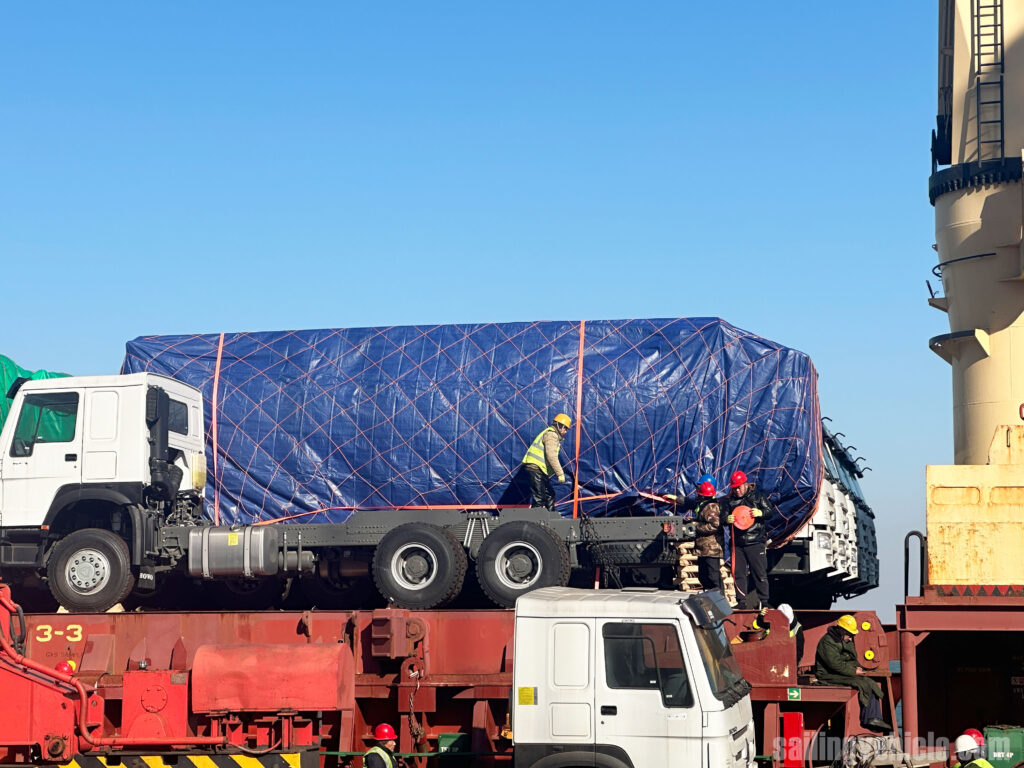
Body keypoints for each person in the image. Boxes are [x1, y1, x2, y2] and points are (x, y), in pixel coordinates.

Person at [813, 615, 891, 733]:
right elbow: (834, 664)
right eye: (850, 635)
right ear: (842, 631)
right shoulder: (827, 642)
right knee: (861, 683)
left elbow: (849, 660)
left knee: (870, 683)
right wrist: (854, 671)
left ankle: (874, 718)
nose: (851, 638)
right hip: (828, 675)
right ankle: (868, 719)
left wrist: (858, 668)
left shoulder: (844, 640)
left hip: (840, 672)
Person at [722, 470, 773, 607]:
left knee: (759, 573)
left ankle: (764, 601)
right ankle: (741, 601)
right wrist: (727, 519)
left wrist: (760, 512)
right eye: (734, 488)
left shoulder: (758, 497)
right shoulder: (729, 501)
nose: (737, 490)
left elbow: (770, 511)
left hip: (755, 541)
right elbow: (722, 517)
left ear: (745, 484)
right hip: (737, 543)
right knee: (739, 573)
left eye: (739, 487)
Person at [521, 413, 572, 509]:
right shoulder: (552, 435)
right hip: (536, 468)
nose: (565, 431)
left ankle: (551, 517)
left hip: (539, 469)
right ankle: (533, 521)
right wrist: (560, 473)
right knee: (539, 499)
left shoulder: (552, 435)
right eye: (565, 428)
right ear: (559, 426)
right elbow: (551, 456)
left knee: (550, 495)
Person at [693, 481, 724, 592]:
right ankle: (710, 601)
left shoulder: (711, 507)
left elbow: (715, 525)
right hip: (704, 548)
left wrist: (696, 527)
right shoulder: (704, 506)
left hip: (711, 548)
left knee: (713, 577)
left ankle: (720, 602)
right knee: (704, 577)